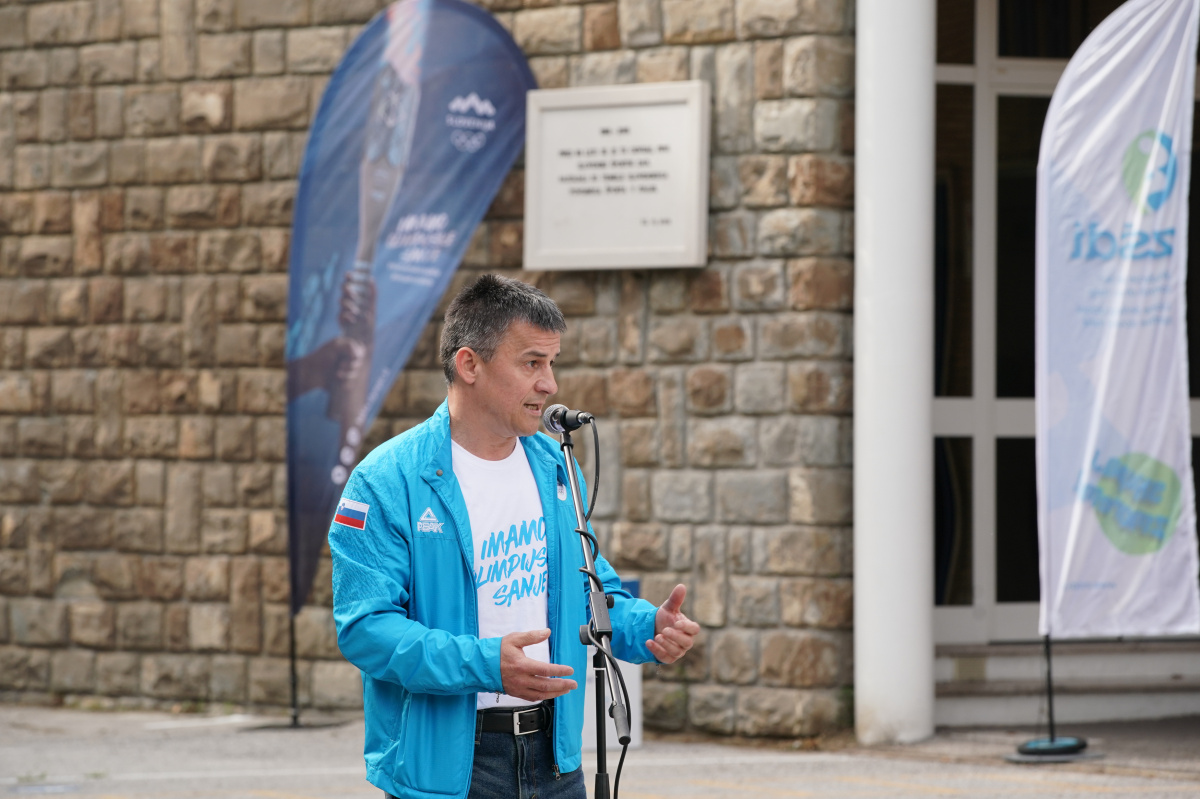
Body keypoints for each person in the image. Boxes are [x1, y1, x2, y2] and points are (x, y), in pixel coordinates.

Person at [329, 274, 700, 799]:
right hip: (450, 770)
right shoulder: (385, 480)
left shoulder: (556, 466)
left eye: (552, 363)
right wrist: (485, 665)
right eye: (532, 363)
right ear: (469, 364)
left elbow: (591, 592)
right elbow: (366, 629)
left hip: (556, 759)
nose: (550, 384)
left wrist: (649, 628)